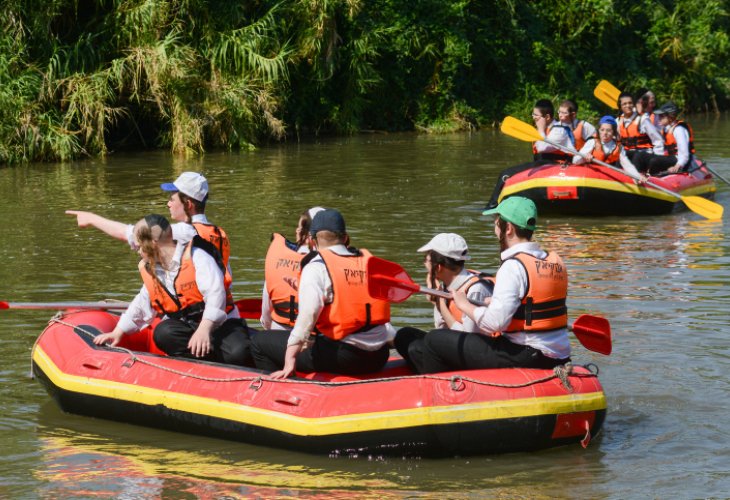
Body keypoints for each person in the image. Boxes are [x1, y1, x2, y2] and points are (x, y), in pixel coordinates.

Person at [417, 197, 571, 374]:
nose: (495, 229)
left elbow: (495, 324)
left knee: (434, 339)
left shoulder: (513, 266)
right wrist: (494, 302)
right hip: (559, 354)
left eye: (497, 223)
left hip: (525, 354)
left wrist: (464, 304)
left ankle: (441, 392)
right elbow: (534, 303)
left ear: (509, 229)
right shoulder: (555, 261)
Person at [251, 209, 396, 379]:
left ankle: (282, 392)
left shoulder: (316, 267)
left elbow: (308, 315)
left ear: (312, 241)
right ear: (346, 238)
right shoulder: (367, 263)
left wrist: (290, 359)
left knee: (259, 342)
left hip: (344, 358)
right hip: (379, 355)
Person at [93, 214, 252, 365]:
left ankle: (224, 360)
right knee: (163, 333)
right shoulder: (155, 269)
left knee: (238, 353)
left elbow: (216, 294)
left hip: (221, 325)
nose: (138, 251)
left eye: (140, 246)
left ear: (153, 242)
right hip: (189, 325)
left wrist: (204, 328)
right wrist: (118, 332)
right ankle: (200, 363)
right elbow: (142, 303)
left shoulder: (197, 256)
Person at [67, 172, 236, 311]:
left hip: (194, 313)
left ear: (188, 204)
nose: (168, 203)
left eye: (172, 199)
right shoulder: (220, 234)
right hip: (221, 309)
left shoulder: (180, 232)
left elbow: (128, 233)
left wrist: (91, 218)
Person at [393, 233, 493, 373]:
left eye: (426, 260)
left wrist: (440, 303)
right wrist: (436, 299)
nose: (425, 265)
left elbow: (469, 341)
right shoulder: (448, 284)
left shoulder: (475, 289)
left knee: (415, 349)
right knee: (405, 335)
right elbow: (441, 328)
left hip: (474, 352)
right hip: (456, 345)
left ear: (438, 267)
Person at [486, 99, 574, 209]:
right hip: (542, 165)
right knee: (506, 174)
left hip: (556, 166)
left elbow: (541, 148)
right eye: (533, 115)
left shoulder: (559, 130)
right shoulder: (541, 130)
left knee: (505, 175)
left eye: (537, 116)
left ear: (547, 117)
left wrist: (541, 128)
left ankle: (491, 206)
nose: (533, 118)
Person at [260, 206, 325, 330]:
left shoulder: (277, 258)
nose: (296, 230)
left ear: (306, 234)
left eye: (300, 227)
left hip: (277, 333)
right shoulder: (328, 263)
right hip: (313, 338)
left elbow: (266, 316)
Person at [573, 115, 646, 182]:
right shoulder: (592, 142)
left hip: (608, 178)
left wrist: (637, 176)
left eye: (608, 130)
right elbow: (575, 160)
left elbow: (627, 165)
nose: (605, 133)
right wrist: (584, 158)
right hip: (591, 175)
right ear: (599, 130)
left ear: (614, 132)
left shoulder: (619, 147)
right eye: (602, 130)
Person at [616, 92, 664, 172]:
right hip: (628, 155)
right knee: (619, 154)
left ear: (634, 104)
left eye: (630, 103)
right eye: (624, 104)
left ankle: (637, 177)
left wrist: (658, 161)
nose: (627, 106)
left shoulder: (643, 119)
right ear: (620, 106)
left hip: (644, 156)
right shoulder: (618, 121)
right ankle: (617, 175)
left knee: (637, 155)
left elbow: (658, 140)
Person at [646, 102, 696, 175]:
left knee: (655, 161)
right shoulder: (666, 129)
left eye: (662, 116)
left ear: (670, 117)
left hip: (682, 160)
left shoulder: (679, 130)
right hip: (672, 158)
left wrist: (677, 166)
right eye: (659, 116)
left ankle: (652, 178)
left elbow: (684, 154)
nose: (659, 118)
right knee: (646, 157)